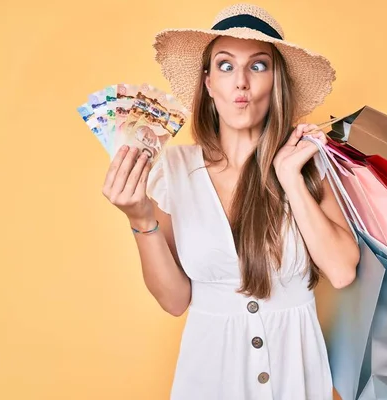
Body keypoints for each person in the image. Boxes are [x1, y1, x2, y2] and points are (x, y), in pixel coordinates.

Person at [101, 4, 360, 399]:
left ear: (276, 82)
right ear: (207, 83)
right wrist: (140, 217)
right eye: (225, 66)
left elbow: (342, 272)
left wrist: (289, 177)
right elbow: (174, 301)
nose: (241, 82)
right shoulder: (170, 169)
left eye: (258, 66)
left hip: (296, 373)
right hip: (209, 374)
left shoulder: (307, 162)